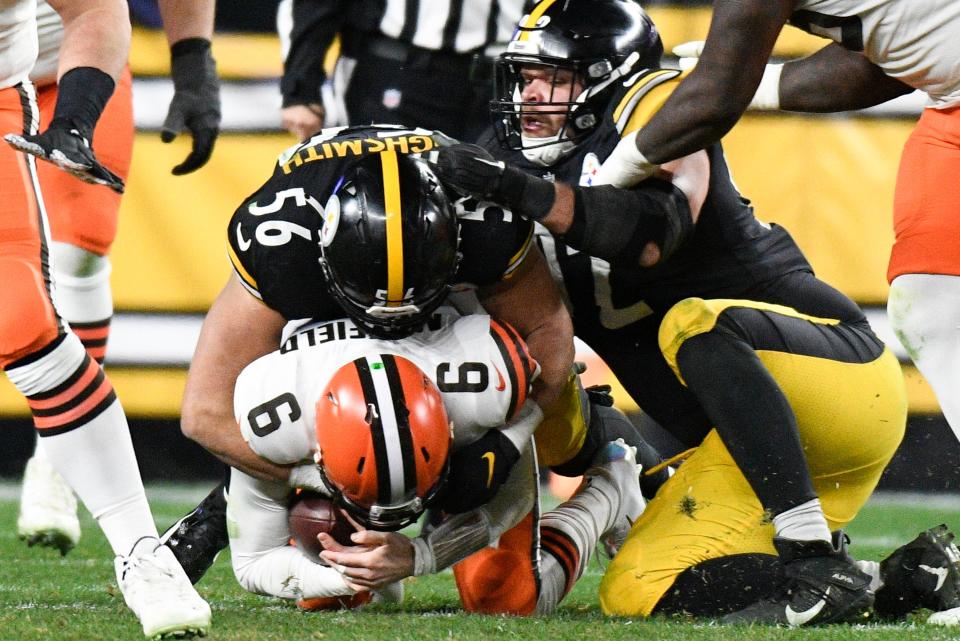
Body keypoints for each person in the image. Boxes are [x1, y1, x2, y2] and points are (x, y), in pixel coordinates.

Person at [432, 0, 923, 625]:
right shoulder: (512, 157)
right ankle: (890, 582)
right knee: (638, 587)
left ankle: (810, 550)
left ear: (608, 76)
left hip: (837, 381)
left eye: (551, 78)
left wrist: (515, 189)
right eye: (524, 78)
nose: (530, 96)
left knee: (690, 321)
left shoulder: (659, 104)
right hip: (743, 449)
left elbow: (647, 236)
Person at [592, 0, 960, 518]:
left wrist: (603, 180)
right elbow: (894, 59)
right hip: (952, 102)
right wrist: (766, 83)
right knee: (932, 303)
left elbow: (715, 98)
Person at [0, 0, 218, 637]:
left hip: (50, 77)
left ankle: (138, 551)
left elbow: (94, 8)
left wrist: (193, 63)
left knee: (28, 306)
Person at [225, 308, 645, 615]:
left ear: (449, 428)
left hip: (460, 419)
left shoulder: (485, 391)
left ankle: (613, 486)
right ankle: (366, 575)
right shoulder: (276, 418)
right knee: (325, 591)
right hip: (342, 451)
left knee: (505, 598)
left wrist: (420, 556)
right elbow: (253, 562)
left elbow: (507, 504)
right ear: (315, 452)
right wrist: (348, 575)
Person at [276, 0, 531, 142]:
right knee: (380, 206)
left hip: (512, 79)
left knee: (497, 217)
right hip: (398, 73)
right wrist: (300, 88)